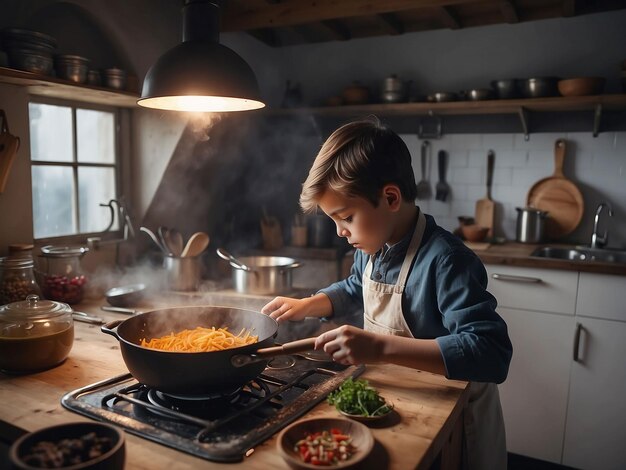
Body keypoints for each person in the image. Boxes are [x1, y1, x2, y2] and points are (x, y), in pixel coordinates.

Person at [261, 117, 513, 469]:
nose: (340, 232)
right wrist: (310, 304)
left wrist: (379, 347)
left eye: (345, 217)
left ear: (390, 198)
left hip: (456, 422)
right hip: (402, 405)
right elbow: (355, 287)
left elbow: (491, 352)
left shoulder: (447, 261)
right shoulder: (371, 246)